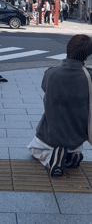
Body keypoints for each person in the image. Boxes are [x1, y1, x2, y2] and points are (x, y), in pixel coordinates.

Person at [28, 34, 92, 177]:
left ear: (68, 50)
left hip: (51, 135)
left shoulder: (51, 74)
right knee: (74, 148)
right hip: (77, 136)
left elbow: (45, 88)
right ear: (86, 57)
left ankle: (52, 159)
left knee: (33, 149)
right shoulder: (89, 77)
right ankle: (72, 156)